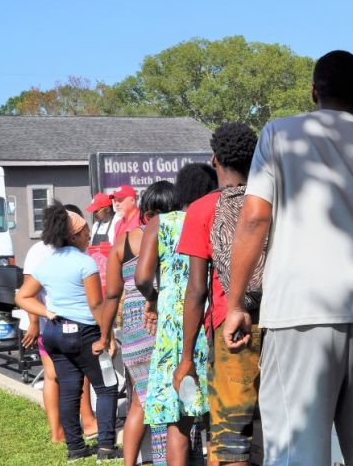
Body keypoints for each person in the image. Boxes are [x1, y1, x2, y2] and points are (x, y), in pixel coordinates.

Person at [222, 50, 353, 465]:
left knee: (297, 453)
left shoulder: (280, 135)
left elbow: (254, 219)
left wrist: (235, 305)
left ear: (313, 92)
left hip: (299, 312)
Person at [172, 122, 260, 466]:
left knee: (231, 440)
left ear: (214, 160)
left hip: (232, 329)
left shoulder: (203, 209)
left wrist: (186, 358)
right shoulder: (272, 202)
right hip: (282, 323)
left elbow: (197, 290)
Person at [15, 202, 121, 462]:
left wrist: (46, 312)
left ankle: (75, 448)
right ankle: (106, 448)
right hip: (84, 332)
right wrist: (107, 336)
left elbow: (22, 296)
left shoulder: (46, 263)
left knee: (70, 390)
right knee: (107, 386)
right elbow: (96, 305)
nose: (89, 235)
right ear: (73, 235)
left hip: (54, 332)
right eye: (85, 231)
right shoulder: (85, 263)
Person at [136, 164, 217, 466]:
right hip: (208, 321)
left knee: (179, 419)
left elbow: (142, 278)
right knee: (216, 418)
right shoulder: (212, 218)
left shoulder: (161, 223)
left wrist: (154, 298)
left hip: (174, 330)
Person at [96, 181, 177, 466]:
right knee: (168, 398)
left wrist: (104, 335)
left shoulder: (124, 242)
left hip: (132, 327)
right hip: (165, 320)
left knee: (140, 401)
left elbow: (112, 295)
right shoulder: (176, 236)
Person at [21, 204, 98, 445]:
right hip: (56, 325)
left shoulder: (44, 251)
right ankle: (76, 426)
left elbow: (25, 292)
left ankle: (66, 431)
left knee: (59, 378)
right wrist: (36, 320)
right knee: (65, 377)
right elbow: (29, 291)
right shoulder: (45, 252)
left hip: (53, 327)